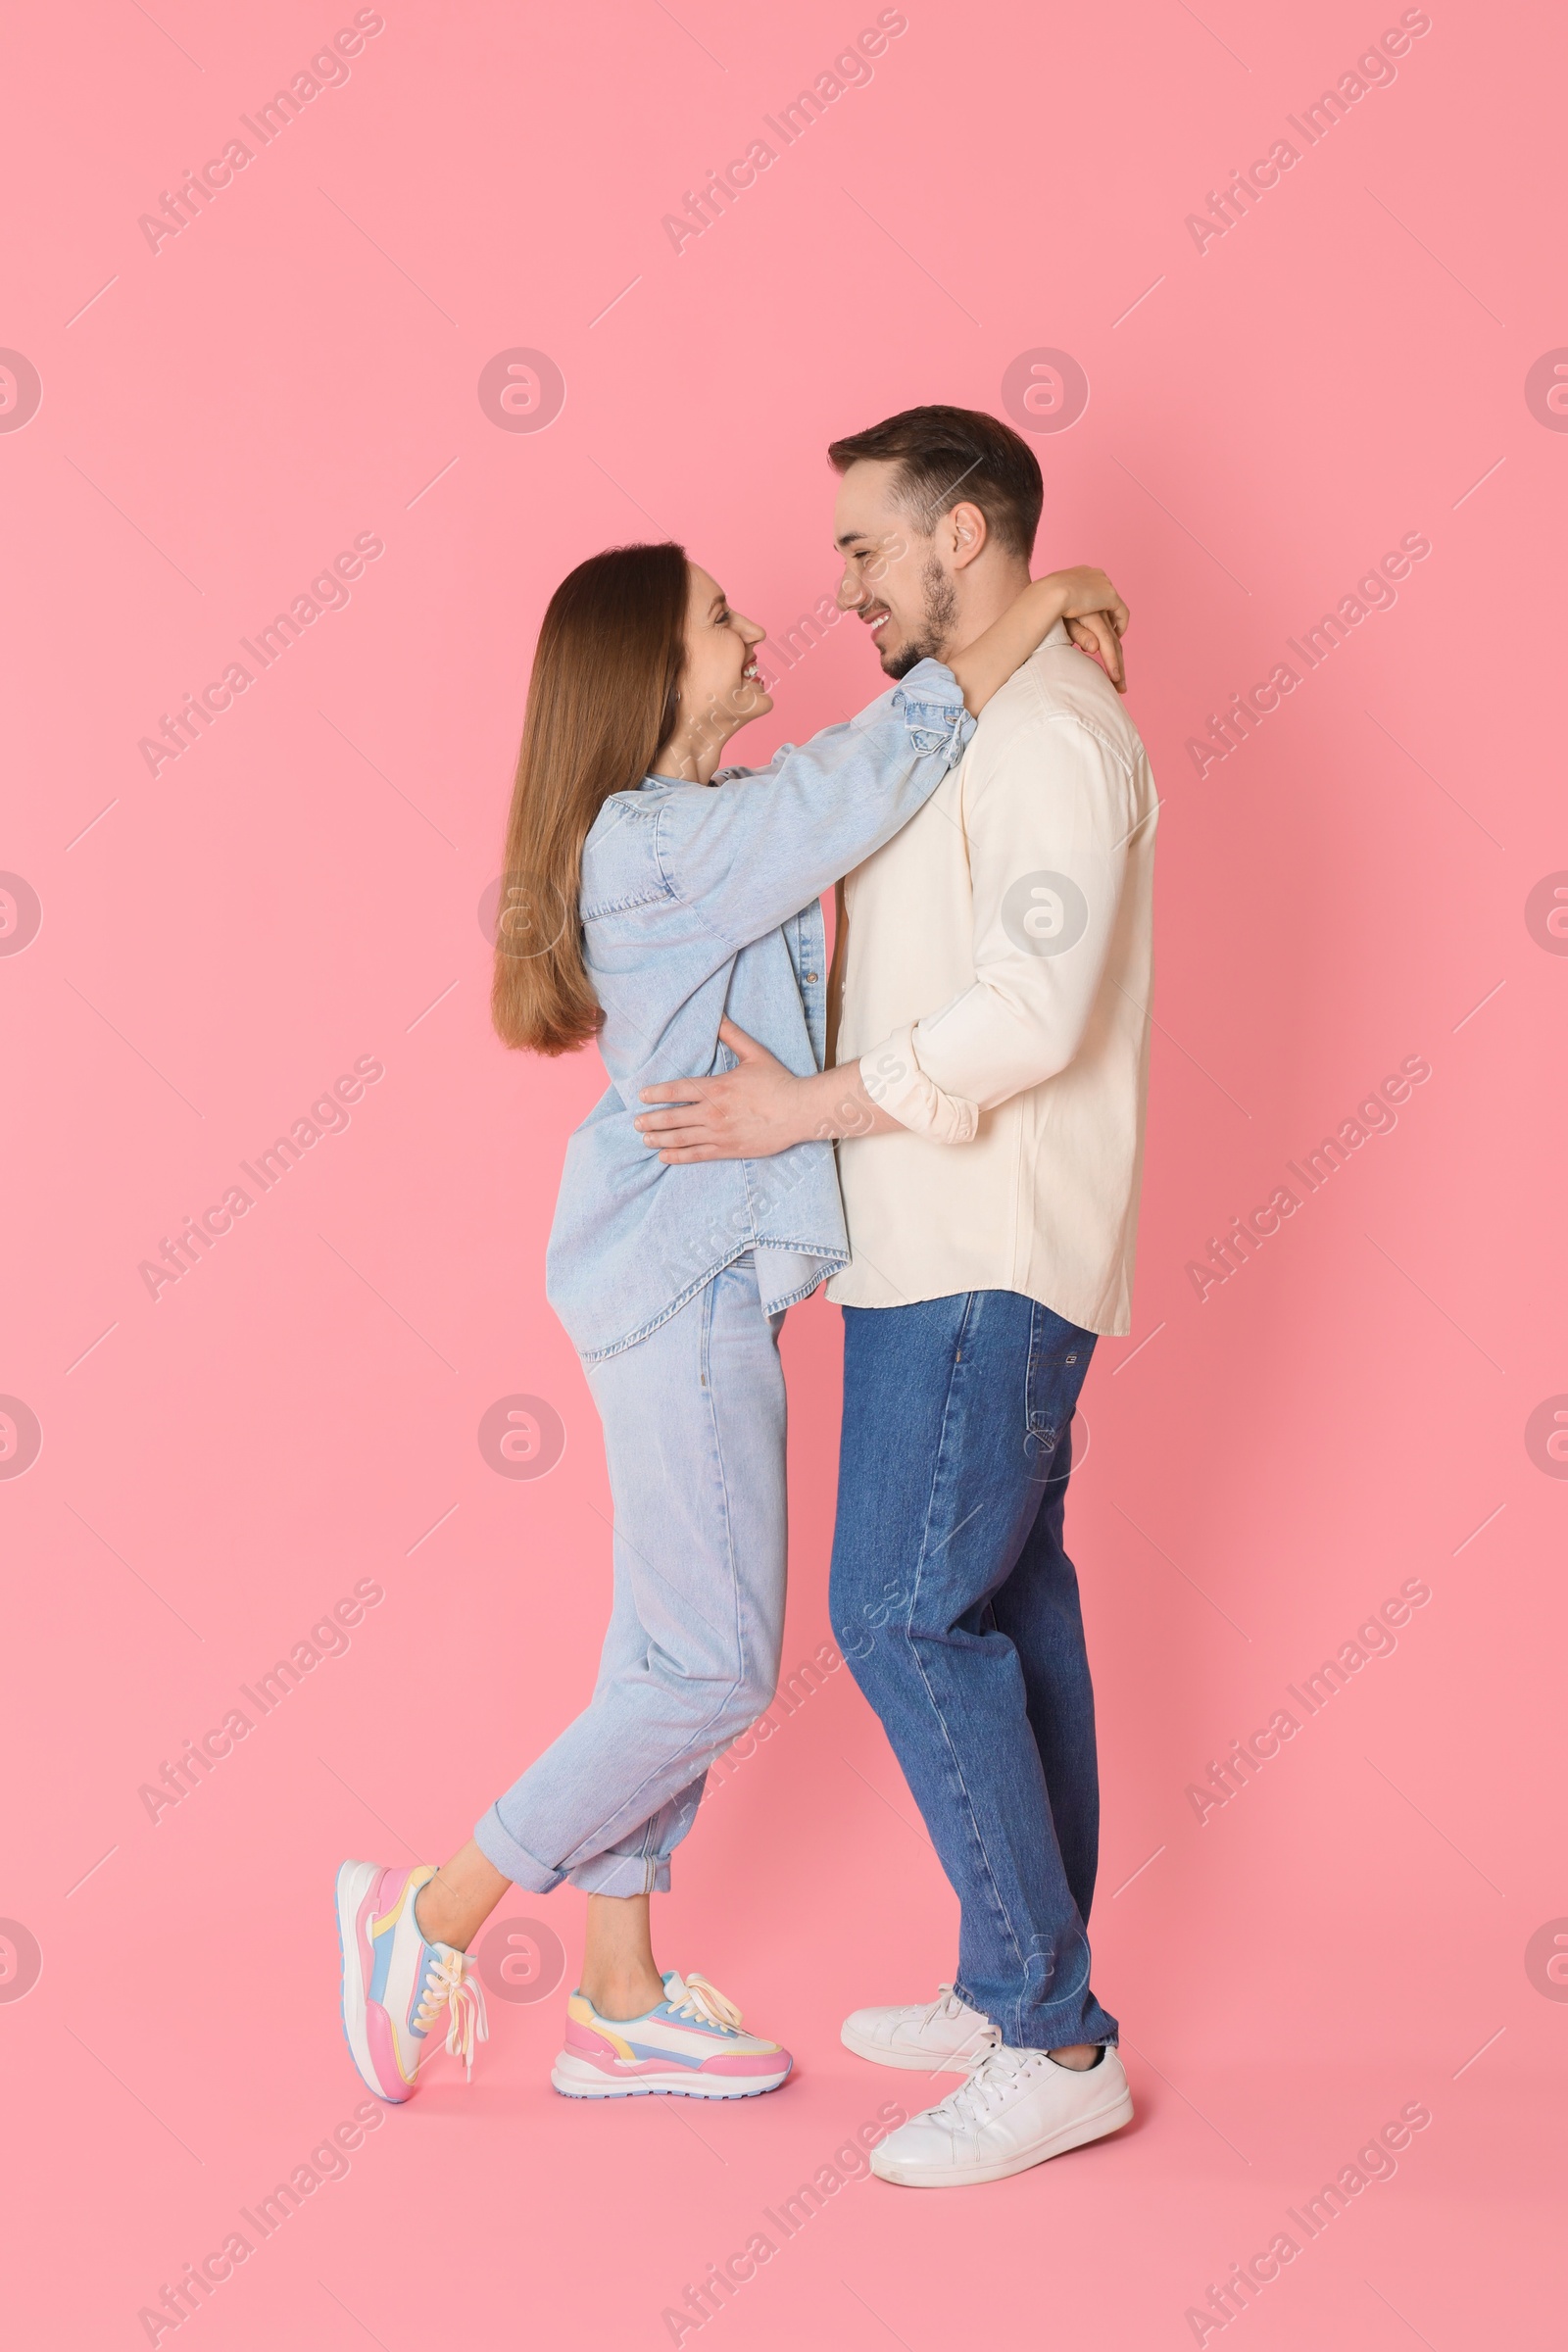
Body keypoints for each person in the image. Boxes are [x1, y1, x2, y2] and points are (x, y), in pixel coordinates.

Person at [335, 531, 1129, 2106]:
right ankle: (428, 1912)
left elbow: (818, 810)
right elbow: (864, 778)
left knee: (659, 1647)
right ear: (652, 676)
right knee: (707, 1672)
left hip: (688, 1281)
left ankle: (619, 1993)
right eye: (717, 618)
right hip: (684, 1286)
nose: (758, 622)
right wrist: (1030, 609)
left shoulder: (685, 829)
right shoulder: (660, 843)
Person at [633, 405, 1157, 2182]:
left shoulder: (1057, 741)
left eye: (866, 546)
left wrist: (798, 1111)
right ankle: (1017, 1971)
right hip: (922, 1254)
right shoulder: (979, 722)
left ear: (959, 535)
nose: (838, 582)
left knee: (903, 1617)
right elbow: (858, 785)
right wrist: (1048, 595)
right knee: (1005, 1612)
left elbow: (1032, 1020)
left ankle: (1052, 2034)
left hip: (990, 1254)